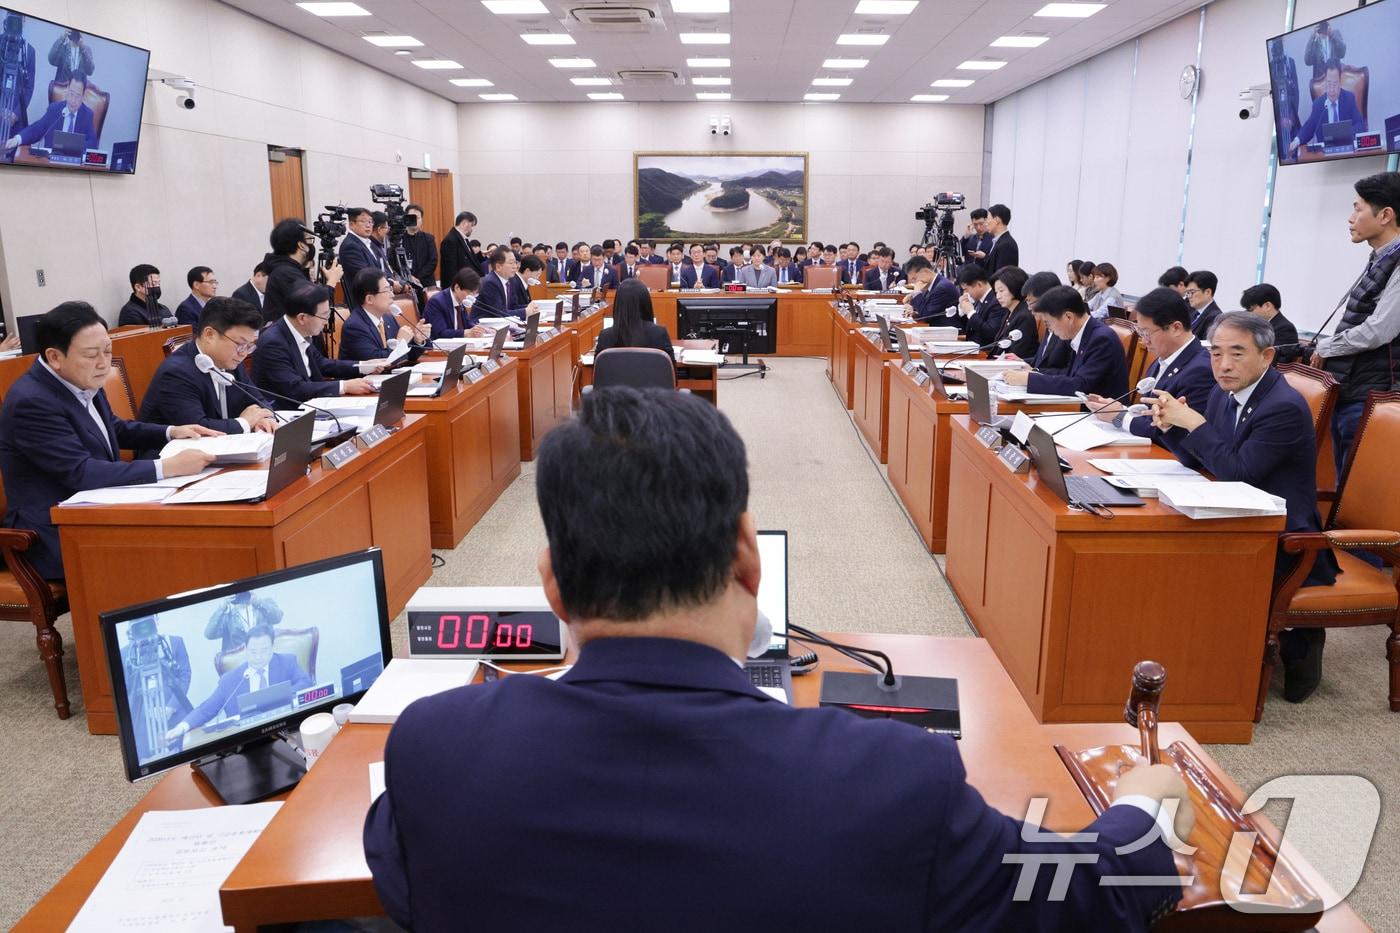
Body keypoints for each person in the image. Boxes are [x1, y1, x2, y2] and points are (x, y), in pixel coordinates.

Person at [364, 386, 1190, 931]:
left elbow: (403, 871)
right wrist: (1143, 809)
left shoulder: (434, 747)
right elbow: (1097, 891)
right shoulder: (897, 780)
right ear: (748, 561)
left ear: (550, 582)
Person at [1151, 312, 1337, 700]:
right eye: (1216, 353)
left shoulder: (1282, 406)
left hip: (1283, 536)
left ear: (1267, 356)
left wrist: (1195, 425)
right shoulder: (1225, 391)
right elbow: (1205, 460)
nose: (1223, 365)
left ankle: (1291, 645)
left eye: (1237, 354)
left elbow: (1239, 472)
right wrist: (1172, 428)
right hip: (1236, 512)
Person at [0, 302, 217, 579]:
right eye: (92, 355)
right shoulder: (32, 402)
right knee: (165, 557)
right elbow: (81, 472)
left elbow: (112, 427)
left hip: (98, 508)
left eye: (108, 350)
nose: (104, 363)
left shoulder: (79, 377)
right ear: (55, 357)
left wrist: (170, 431)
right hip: (52, 531)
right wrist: (167, 467)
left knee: (187, 535)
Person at [1310, 171, 1400, 468]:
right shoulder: (1381, 258)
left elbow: (1379, 330)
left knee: (1355, 497)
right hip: (1353, 390)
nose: (1350, 218)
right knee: (1342, 489)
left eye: (1358, 208)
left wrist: (1326, 348)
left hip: (1375, 398)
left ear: (1385, 215)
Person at [138, 298, 278, 452]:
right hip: (173, 461)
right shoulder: (176, 372)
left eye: (249, 346)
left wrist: (264, 419)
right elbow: (199, 429)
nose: (244, 353)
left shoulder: (230, 360)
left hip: (222, 451)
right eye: (240, 344)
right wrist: (245, 422)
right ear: (209, 334)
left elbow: (258, 400)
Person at [1085, 288, 1213, 445]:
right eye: (1140, 332)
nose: (1144, 341)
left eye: (1146, 332)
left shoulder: (1201, 370)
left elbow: (1170, 432)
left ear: (1176, 328)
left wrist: (1119, 416)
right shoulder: (1163, 358)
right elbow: (1148, 412)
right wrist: (1120, 408)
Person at [165, 624, 312, 744]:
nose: (259, 656)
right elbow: (206, 709)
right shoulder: (231, 680)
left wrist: (280, 694)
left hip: (286, 732)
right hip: (250, 742)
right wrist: (181, 727)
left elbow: (306, 683)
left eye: (264, 650)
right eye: (253, 651)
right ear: (246, 650)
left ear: (272, 647)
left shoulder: (287, 662)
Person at [252, 284, 383, 405]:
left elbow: (321, 364)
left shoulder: (301, 330)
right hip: (290, 412)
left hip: (313, 403)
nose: (326, 322)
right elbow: (294, 388)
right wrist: (345, 386)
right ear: (302, 318)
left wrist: (364, 366)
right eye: (324, 316)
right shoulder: (273, 342)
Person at [1002, 286, 1127, 397]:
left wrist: (1029, 379)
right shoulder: (1083, 333)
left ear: (1069, 317)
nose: (1049, 329)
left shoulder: (1101, 338)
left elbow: (1080, 385)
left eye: (1048, 323)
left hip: (1100, 415)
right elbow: (1068, 373)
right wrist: (1034, 372)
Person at [119, 616, 193, 763]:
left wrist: (171, 707)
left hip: (174, 710)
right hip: (143, 716)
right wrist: (145, 711)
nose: (143, 629)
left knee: (187, 747)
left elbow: (185, 675)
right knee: (144, 756)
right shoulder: (125, 654)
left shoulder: (173, 643)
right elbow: (126, 689)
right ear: (130, 629)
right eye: (137, 625)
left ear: (156, 621)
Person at [261, 218, 344, 325]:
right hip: (287, 339)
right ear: (301, 245)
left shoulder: (286, 269)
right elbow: (312, 302)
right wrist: (332, 282)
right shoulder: (285, 272)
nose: (311, 245)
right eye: (309, 239)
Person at [339, 269, 429, 363]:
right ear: (369, 299)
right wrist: (400, 343)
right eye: (386, 290)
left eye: (391, 289)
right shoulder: (355, 326)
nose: (392, 294)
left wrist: (417, 341)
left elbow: (405, 356)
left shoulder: (388, 318)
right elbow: (377, 361)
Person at [4, 74, 95, 152]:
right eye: (71, 94)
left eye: (77, 96)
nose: (73, 100)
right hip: (50, 165)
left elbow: (93, 144)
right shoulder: (54, 110)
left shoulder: (87, 115)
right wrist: (17, 139)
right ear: (67, 90)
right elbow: (37, 129)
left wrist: (72, 146)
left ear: (83, 96)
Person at [1290, 60, 1365, 153]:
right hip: (1326, 155)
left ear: (1340, 82)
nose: (1332, 90)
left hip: (1347, 151)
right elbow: (1309, 127)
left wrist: (1344, 133)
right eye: (1329, 84)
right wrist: (1296, 140)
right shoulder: (1318, 104)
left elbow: (1360, 125)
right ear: (1325, 81)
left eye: (1335, 84)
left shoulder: (1349, 99)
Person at [594, 280, 674, 359]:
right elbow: (671, 370)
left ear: (618, 304)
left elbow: (597, 370)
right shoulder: (659, 334)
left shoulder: (605, 337)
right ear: (646, 303)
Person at [0, 12, 35, 166]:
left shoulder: (29, 51)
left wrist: (15, 114)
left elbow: (29, 87)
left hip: (17, 117)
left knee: (15, 160)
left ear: (24, 20)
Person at [1023, 271, 1073, 373]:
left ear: (1047, 297)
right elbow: (1041, 360)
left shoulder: (1067, 326)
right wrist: (1019, 362)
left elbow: (1071, 372)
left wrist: (1036, 371)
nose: (1029, 308)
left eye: (1031, 302)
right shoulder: (1048, 322)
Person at [203, 592, 284, 653]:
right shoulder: (228, 615)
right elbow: (209, 634)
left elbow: (277, 618)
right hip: (240, 663)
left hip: (265, 655)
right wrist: (221, 608)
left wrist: (258, 602)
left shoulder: (264, 604)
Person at [423, 268, 492, 339]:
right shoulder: (437, 302)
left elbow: (466, 324)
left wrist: (480, 329)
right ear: (457, 287)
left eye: (474, 294)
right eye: (469, 293)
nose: (471, 297)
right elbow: (440, 333)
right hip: (441, 347)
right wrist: (466, 332)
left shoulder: (462, 300)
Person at [988, 267, 1038, 359]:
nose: (998, 296)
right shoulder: (1009, 312)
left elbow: (1018, 353)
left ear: (1015, 286)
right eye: (996, 292)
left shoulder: (1024, 316)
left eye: (1001, 291)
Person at [953, 264, 1006, 346]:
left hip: (985, 352)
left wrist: (971, 313)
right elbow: (970, 328)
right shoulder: (978, 299)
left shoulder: (996, 301)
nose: (966, 293)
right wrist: (963, 312)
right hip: (971, 348)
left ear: (979, 285)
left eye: (966, 289)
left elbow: (990, 332)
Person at [1240, 283, 1299, 351]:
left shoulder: (1285, 329)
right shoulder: (1255, 324)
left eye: (1251, 309)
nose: (1247, 313)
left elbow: (1276, 358)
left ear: (1267, 306)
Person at [1268, 38, 1301, 156]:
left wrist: (1291, 118)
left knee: (1295, 148)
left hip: (1291, 116)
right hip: (1278, 119)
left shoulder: (1290, 63)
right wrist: (1280, 118)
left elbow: (1296, 93)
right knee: (1281, 151)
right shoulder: (1271, 66)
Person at [477, 247, 532, 318]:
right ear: (498, 266)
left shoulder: (510, 280)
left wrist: (530, 307)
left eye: (515, 262)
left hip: (503, 325)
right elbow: (499, 313)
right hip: (484, 326)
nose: (515, 267)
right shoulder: (490, 282)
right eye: (511, 263)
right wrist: (525, 311)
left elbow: (512, 307)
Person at [903, 255, 959, 323]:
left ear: (926, 271)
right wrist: (914, 313)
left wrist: (916, 293)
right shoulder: (931, 285)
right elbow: (927, 311)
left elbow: (926, 316)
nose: (915, 283)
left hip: (947, 330)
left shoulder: (942, 287)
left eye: (915, 279)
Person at [439, 211, 483, 290]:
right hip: (461, 288)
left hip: (470, 285)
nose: (472, 229)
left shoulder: (463, 239)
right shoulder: (450, 240)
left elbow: (469, 260)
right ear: (464, 223)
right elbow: (450, 270)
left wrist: (480, 255)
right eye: (472, 225)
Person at [401, 203, 438, 284]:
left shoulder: (429, 238)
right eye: (412, 217)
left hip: (426, 283)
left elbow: (433, 261)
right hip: (406, 283)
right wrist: (409, 277)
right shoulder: (399, 239)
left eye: (417, 217)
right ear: (406, 218)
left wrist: (418, 277)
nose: (415, 220)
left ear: (422, 220)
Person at [1184, 270, 1222, 339]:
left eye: (1192, 292)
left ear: (1208, 292)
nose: (1189, 296)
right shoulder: (1193, 313)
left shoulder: (1215, 318)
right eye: (1187, 292)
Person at [983, 204, 1018, 273]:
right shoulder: (998, 241)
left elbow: (1002, 276)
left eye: (988, 218)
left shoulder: (1007, 245)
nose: (985, 222)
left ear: (997, 220)